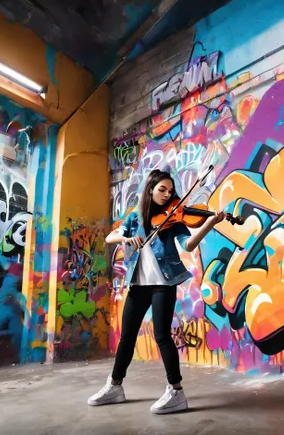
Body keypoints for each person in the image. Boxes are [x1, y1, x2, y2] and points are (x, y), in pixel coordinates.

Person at [87, 169, 224, 414]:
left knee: (161, 335)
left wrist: (211, 222)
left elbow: (189, 244)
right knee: (127, 336)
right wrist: (126, 240)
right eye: (162, 189)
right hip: (139, 284)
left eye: (170, 191)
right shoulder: (135, 217)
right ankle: (115, 386)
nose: (167, 195)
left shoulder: (174, 219)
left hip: (163, 284)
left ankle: (176, 392)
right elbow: (110, 237)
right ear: (150, 189)